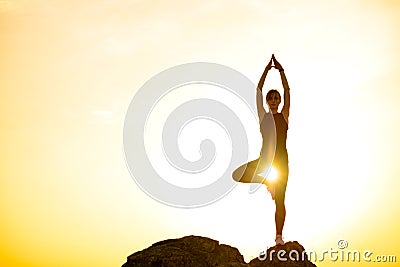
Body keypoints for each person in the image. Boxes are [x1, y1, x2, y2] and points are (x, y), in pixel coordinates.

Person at [232, 54, 290, 246]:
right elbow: (258, 90)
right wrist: (266, 70)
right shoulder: (263, 117)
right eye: (270, 98)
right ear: (267, 101)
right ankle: (266, 180)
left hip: (281, 162)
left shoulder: (284, 116)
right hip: (264, 160)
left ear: (280, 101)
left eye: (276, 98)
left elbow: (288, 90)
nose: (273, 101)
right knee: (237, 174)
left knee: (280, 201)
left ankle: (279, 237)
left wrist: (281, 71)